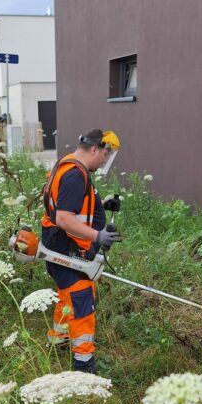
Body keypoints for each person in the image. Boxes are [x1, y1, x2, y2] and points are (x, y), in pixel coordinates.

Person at [41, 129, 122, 373]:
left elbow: (71, 205)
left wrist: (102, 204)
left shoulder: (68, 165)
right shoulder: (76, 175)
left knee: (66, 297)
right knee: (81, 303)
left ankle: (58, 340)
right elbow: (65, 218)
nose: (104, 162)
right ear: (95, 149)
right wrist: (98, 235)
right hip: (69, 249)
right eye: (105, 157)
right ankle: (84, 366)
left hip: (60, 245)